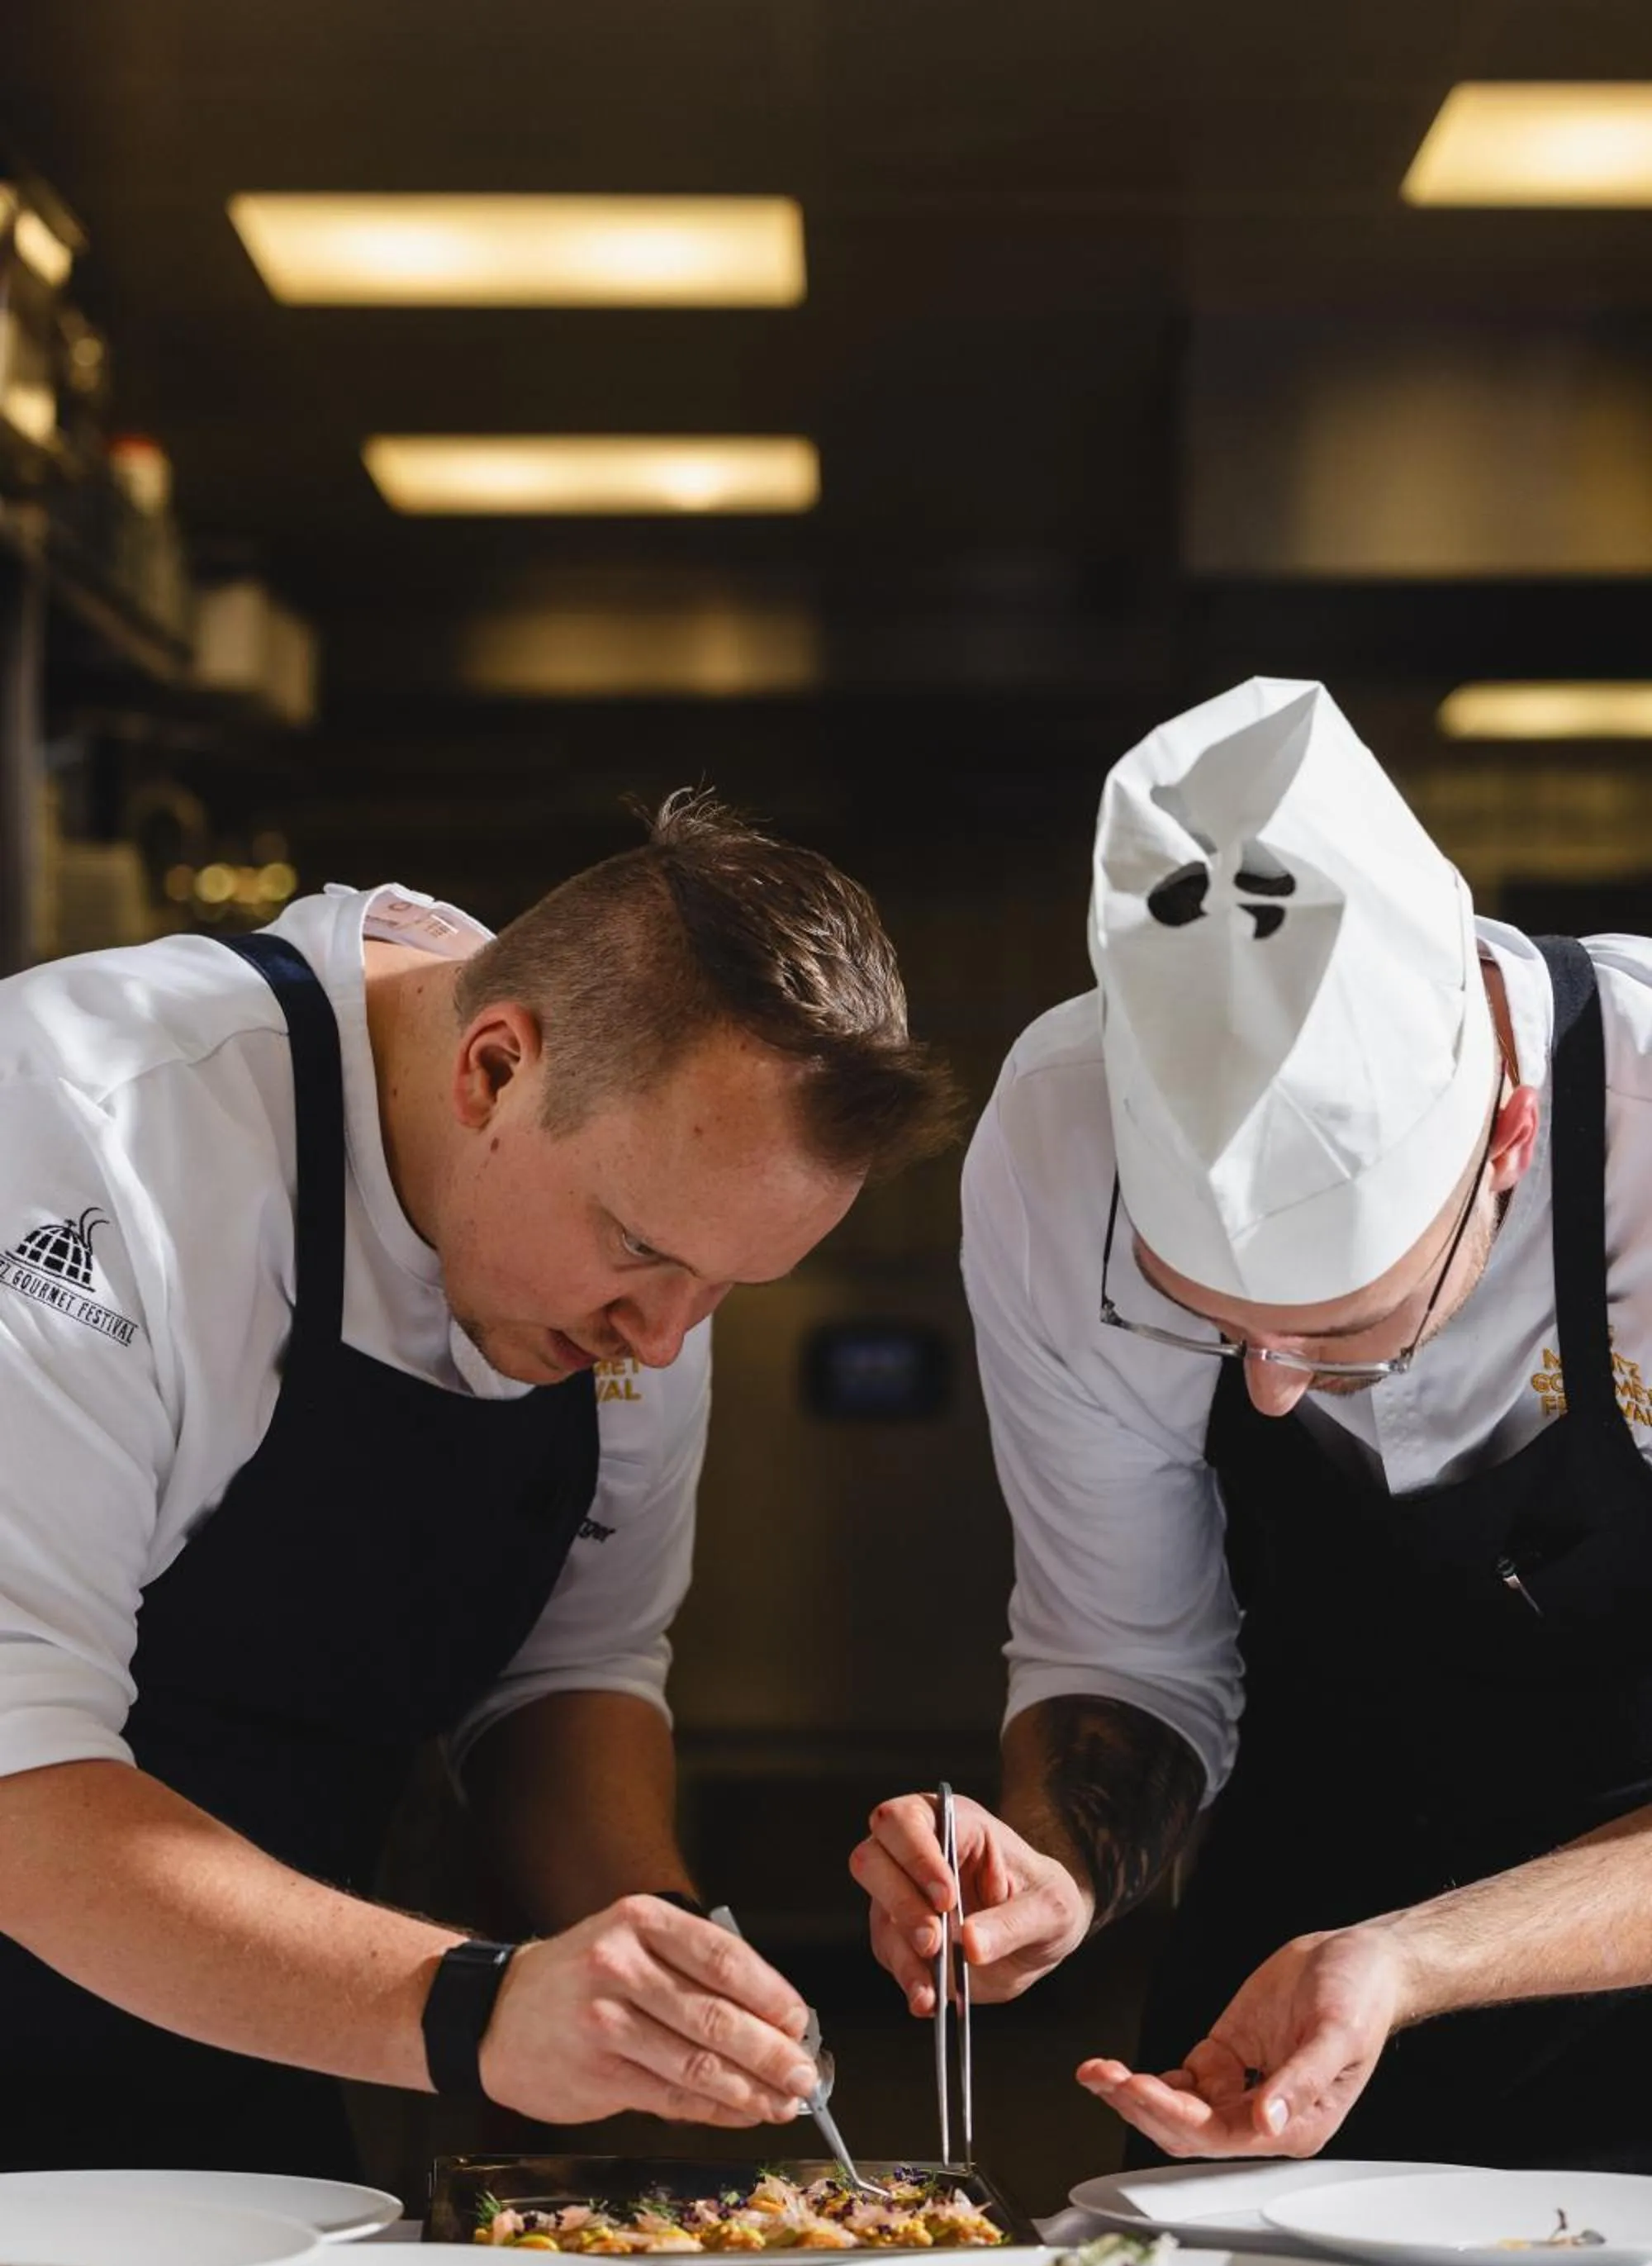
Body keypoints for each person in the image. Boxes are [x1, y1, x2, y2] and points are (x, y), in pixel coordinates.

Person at [0, 789, 960, 2174]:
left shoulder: (657, 1244)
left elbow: (572, 1666)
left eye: (730, 1290)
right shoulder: (83, 1135)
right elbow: (19, 1785)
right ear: (495, 1071)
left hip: (247, 2045)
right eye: (639, 1252)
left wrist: (669, 1978)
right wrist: (479, 2011)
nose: (667, 1339)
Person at [856, 678, 1652, 2171]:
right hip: (1281, 1974)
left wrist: (1418, 1961)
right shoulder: (1055, 1141)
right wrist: (1054, 1869)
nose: (1269, 1389)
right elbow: (1131, 1651)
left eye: (1342, 1330)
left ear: (1510, 1139)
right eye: (1214, 1328)